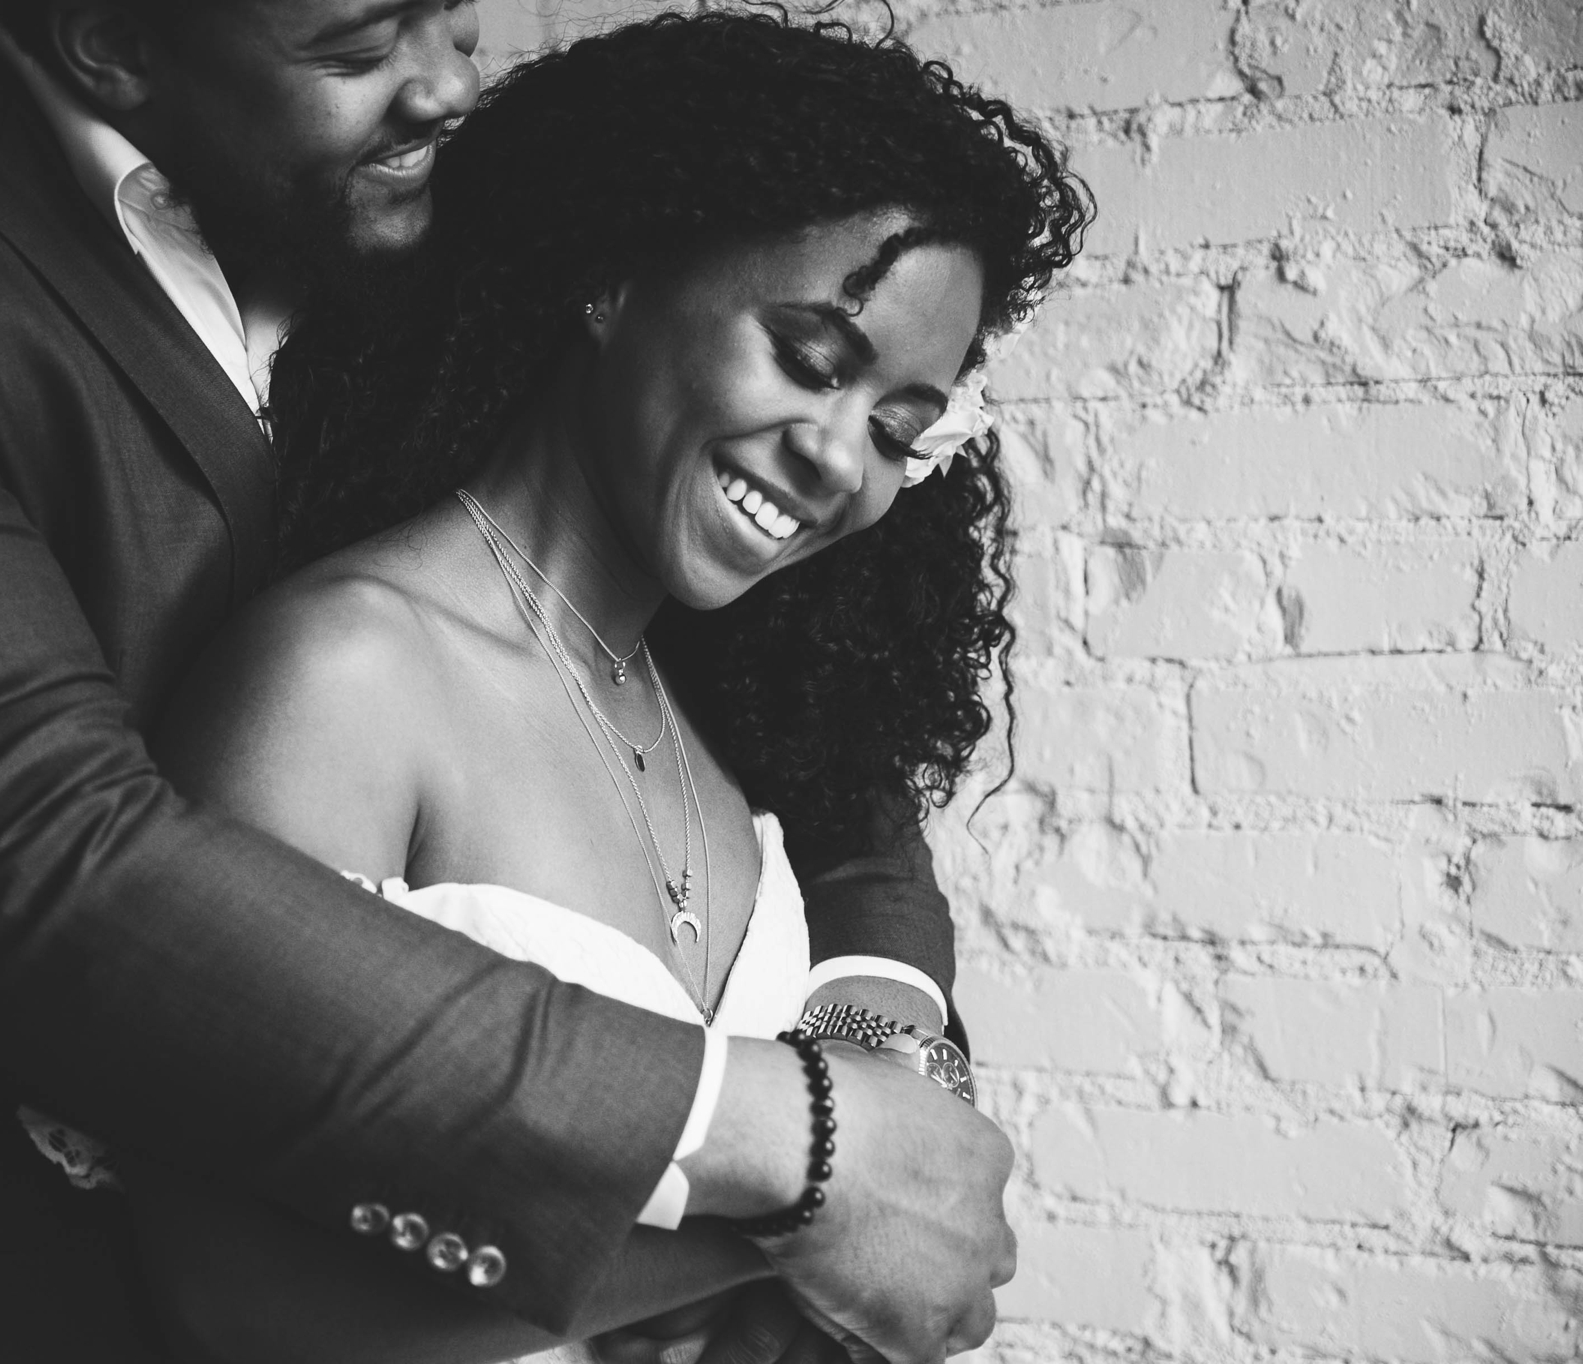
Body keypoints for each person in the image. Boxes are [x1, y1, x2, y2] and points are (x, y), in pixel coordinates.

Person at [0, 0, 1036, 1357]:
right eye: (359, 40)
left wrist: (876, 1037)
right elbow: (44, 862)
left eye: (453, 14)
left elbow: (817, 721)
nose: (452, 81)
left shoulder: (430, 225)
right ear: (108, 42)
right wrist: (796, 1161)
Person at [98, 12, 1090, 1362]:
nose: (839, 461)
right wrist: (817, 1224)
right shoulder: (344, 676)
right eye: (809, 360)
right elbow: (226, 1289)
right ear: (614, 281)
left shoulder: (720, 732)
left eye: (900, 432)